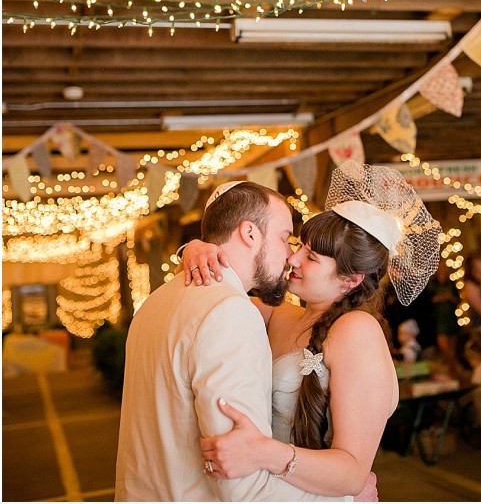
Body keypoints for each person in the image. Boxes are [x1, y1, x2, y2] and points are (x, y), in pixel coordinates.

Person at [178, 162, 440, 497]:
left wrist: (264, 452)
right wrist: (197, 249)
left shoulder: (356, 331)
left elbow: (351, 474)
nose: (293, 259)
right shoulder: (278, 316)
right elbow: (221, 290)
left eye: (311, 257)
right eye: (299, 245)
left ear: (350, 279)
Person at [115, 181, 364, 501]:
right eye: (285, 238)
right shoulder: (230, 312)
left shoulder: (156, 300)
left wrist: (191, 246)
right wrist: (346, 500)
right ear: (249, 233)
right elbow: (242, 486)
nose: (291, 257)